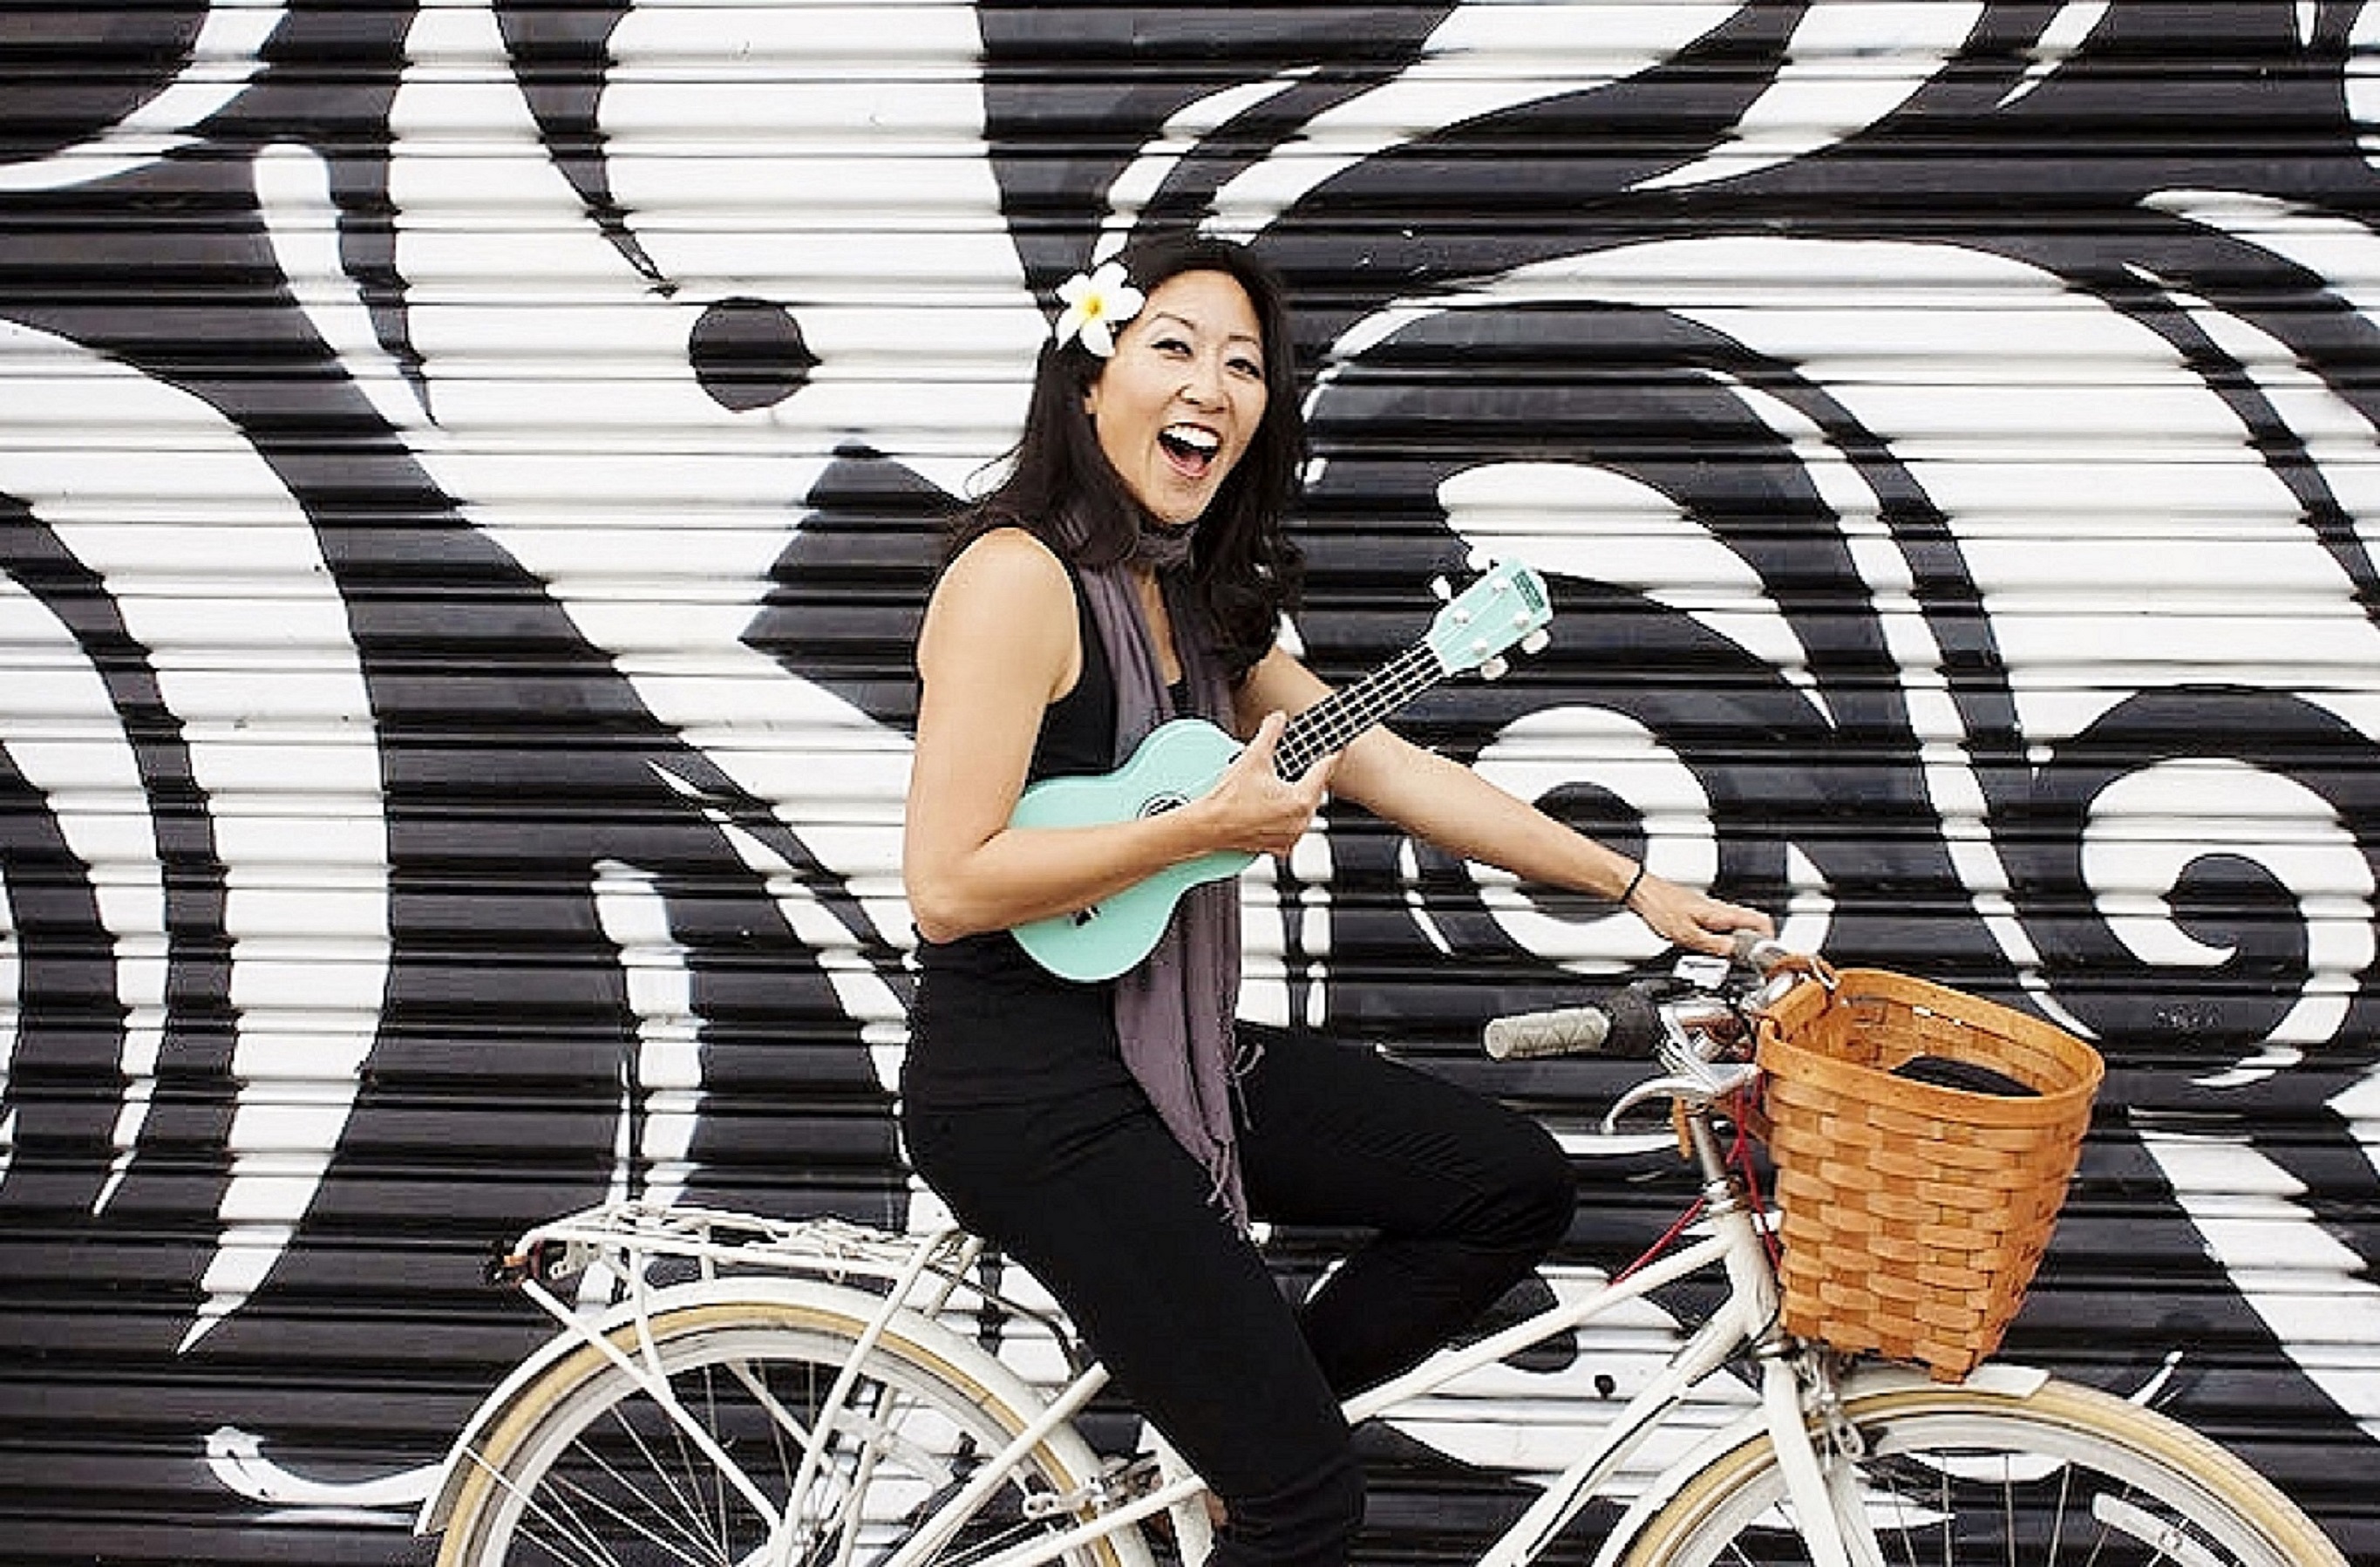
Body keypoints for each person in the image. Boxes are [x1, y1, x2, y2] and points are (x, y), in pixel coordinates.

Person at [899, 235, 1771, 1567]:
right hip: (1027, 1085)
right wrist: (1200, 828)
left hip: (1167, 1050)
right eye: (1174, 348)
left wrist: (1635, 884)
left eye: (1243, 366)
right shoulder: (1015, 579)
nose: (1211, 386)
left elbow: (1389, 762)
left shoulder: (1194, 605)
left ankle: (1231, 1438)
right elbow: (949, 883)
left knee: (1503, 1186)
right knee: (1307, 1505)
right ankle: (1261, 1463)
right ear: (1090, 381)